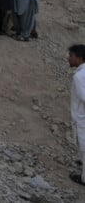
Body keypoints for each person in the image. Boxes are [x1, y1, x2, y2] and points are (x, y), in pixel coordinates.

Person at [68, 44, 85, 187]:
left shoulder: (79, 76)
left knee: (83, 145)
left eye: (71, 56)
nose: (69, 58)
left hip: (82, 118)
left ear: (79, 59)